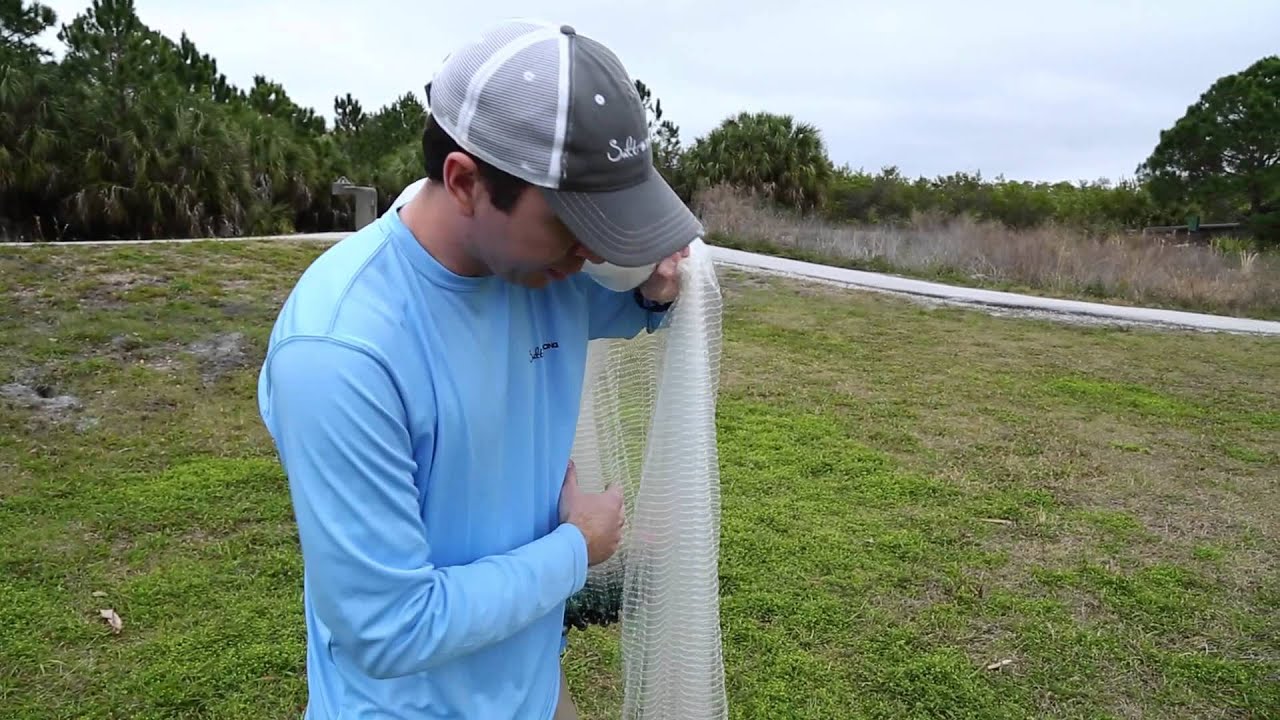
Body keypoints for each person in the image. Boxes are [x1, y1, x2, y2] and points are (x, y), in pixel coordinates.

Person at [255, 18, 704, 720]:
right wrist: (576, 549)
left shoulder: (541, 270)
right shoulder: (342, 352)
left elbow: (611, 305)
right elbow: (391, 627)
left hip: (533, 687)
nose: (590, 252)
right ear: (465, 181)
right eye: (571, 222)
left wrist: (652, 292)